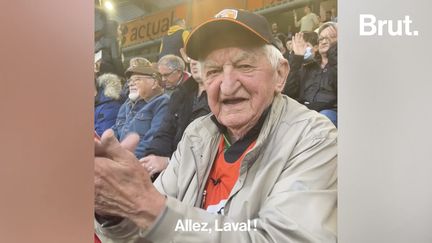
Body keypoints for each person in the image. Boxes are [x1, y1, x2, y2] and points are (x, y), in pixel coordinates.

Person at [95, 8, 337, 243]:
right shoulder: (197, 134)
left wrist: (153, 211)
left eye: (245, 66)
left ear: (280, 74)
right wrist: (115, 209)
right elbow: (141, 227)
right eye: (214, 71)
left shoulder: (314, 137)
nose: (227, 85)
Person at [140, 58, 210, 178]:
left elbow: (210, 147)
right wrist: (152, 157)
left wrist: (169, 161)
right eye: (191, 55)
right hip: (172, 170)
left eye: (200, 55)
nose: (192, 60)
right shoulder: (180, 93)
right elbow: (164, 130)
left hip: (198, 174)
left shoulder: (222, 95)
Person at [111, 62, 169, 159]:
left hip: (137, 162)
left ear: (154, 83)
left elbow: (152, 139)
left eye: (137, 79)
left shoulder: (163, 102)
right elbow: (115, 130)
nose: (130, 84)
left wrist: (125, 160)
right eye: (129, 81)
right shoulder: (127, 104)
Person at [287, 23, 338, 126]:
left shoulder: (343, 65)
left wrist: (335, 50)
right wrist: (297, 58)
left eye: (329, 38)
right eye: (321, 39)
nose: (323, 42)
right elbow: (289, 92)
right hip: (305, 111)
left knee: (323, 118)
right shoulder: (309, 67)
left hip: (328, 113)